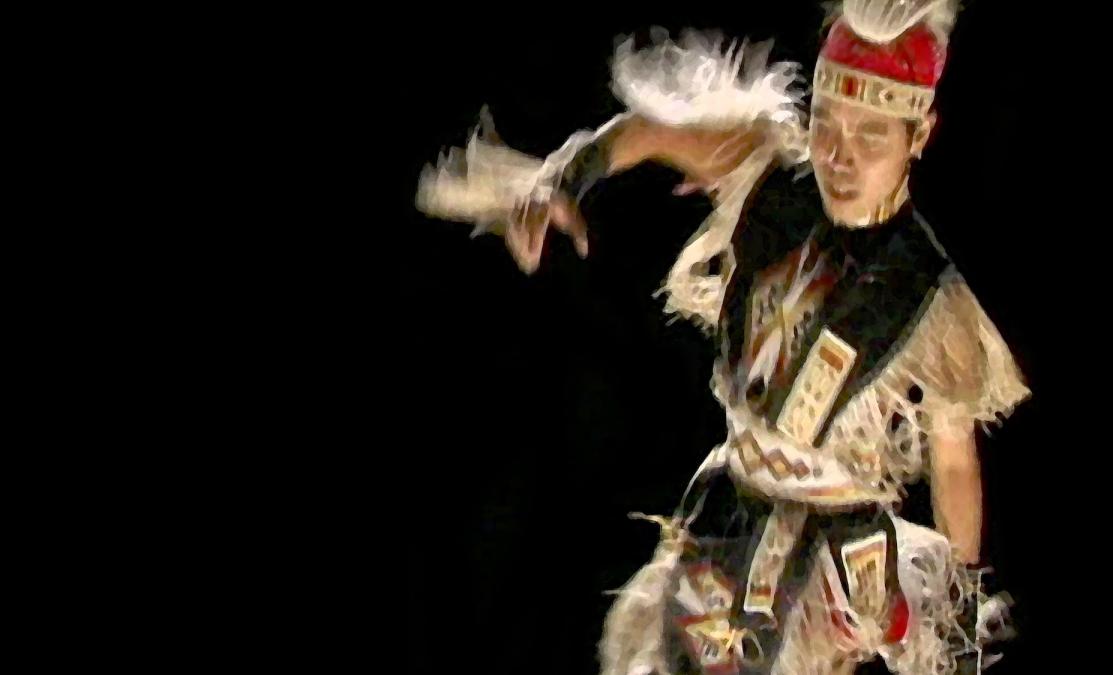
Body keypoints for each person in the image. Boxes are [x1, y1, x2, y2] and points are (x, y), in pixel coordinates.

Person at [416, 1, 1028, 672]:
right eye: (827, 124)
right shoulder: (770, 179)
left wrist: (961, 605)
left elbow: (953, 461)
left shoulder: (929, 296)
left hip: (841, 567)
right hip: (727, 522)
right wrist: (566, 176)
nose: (838, 156)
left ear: (920, 135)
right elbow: (652, 131)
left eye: (871, 135)